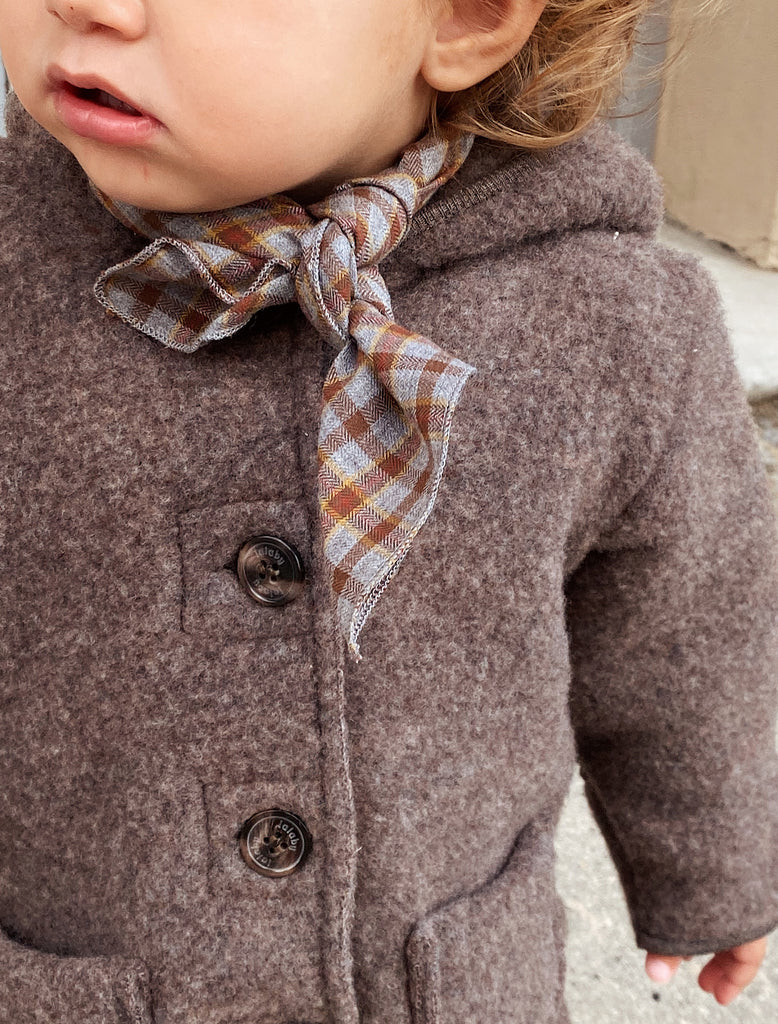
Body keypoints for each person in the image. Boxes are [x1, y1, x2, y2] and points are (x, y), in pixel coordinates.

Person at [0, 1, 775, 1021]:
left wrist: (716, 861)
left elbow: (685, 626)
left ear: (467, 18)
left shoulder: (610, 320)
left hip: (441, 985)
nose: (89, 4)